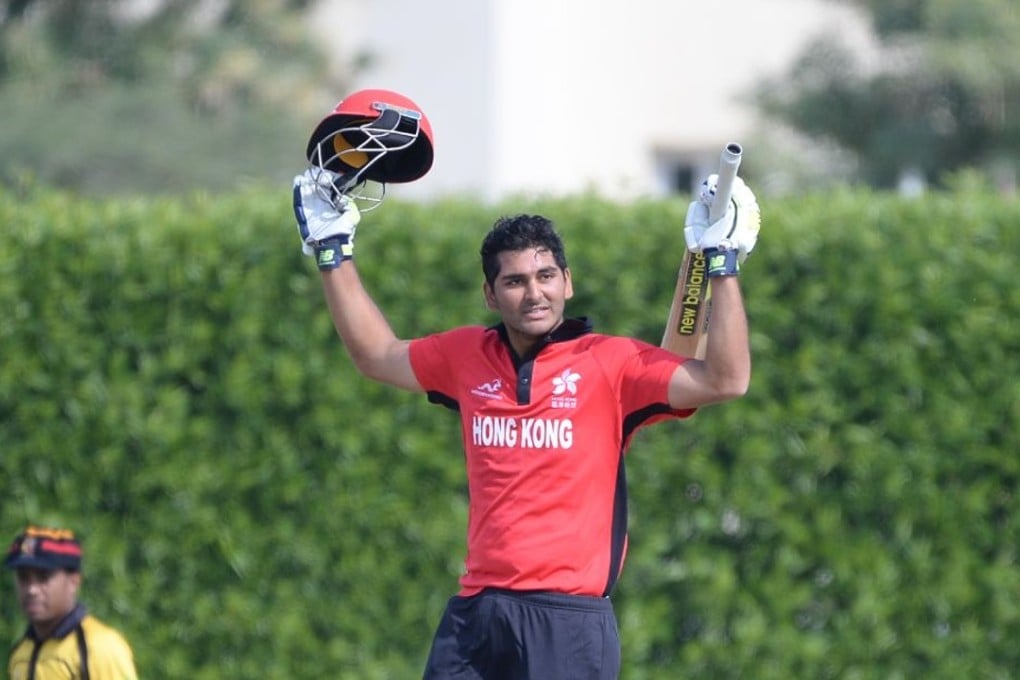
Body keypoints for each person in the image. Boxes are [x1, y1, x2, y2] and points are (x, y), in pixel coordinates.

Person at [292, 110, 760, 677]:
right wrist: (332, 250)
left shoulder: (611, 363)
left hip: (567, 622)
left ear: (567, 282)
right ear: (491, 294)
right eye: (514, 281)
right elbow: (377, 355)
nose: (533, 293)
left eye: (545, 277)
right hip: (476, 614)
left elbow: (725, 379)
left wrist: (721, 263)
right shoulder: (466, 355)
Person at [6, 525, 139, 680]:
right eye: (23, 578)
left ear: (73, 581)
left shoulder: (99, 648)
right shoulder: (21, 653)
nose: (32, 589)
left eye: (43, 577)